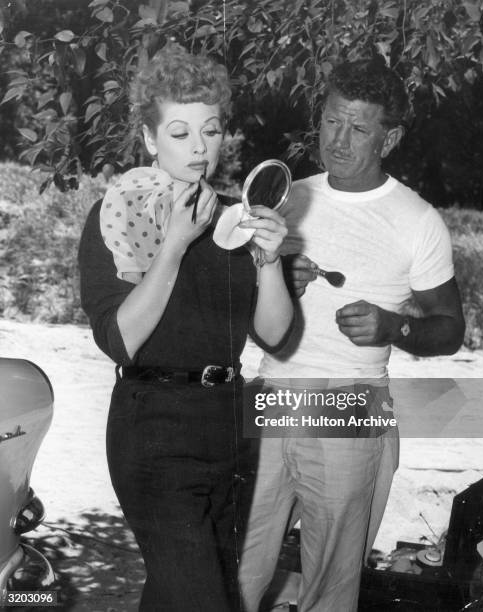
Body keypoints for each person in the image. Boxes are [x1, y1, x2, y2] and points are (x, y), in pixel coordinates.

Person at [239, 58, 465, 612]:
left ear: (390, 137)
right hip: (272, 394)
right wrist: (274, 280)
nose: (339, 140)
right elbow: (246, 310)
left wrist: (395, 326)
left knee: (330, 587)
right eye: (332, 121)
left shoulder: (417, 219)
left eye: (359, 128)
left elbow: (450, 329)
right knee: (234, 568)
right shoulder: (289, 197)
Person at [78, 46, 294, 612]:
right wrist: (173, 243)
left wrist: (270, 261)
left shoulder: (236, 216)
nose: (199, 147)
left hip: (225, 428)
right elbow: (118, 339)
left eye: (211, 130)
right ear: (150, 139)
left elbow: (275, 335)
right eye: (179, 132)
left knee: (178, 596)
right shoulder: (117, 213)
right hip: (153, 430)